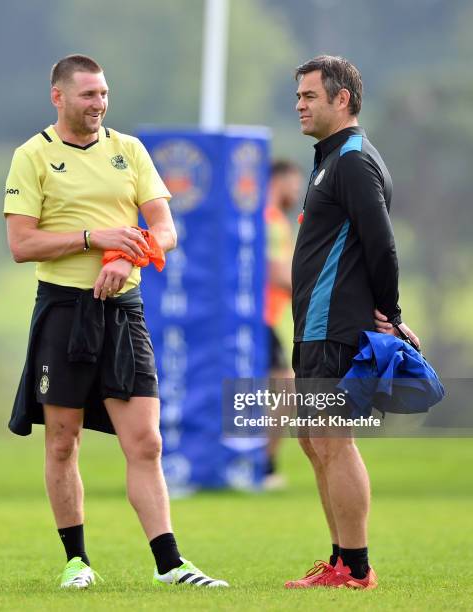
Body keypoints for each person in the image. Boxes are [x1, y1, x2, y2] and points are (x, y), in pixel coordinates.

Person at [3, 54, 228, 590]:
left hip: (124, 312)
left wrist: (130, 256)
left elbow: (166, 228)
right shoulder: (32, 155)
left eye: (103, 94)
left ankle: (170, 565)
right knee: (62, 439)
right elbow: (21, 244)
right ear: (58, 97)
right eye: (88, 95)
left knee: (146, 441)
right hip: (63, 310)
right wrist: (94, 238)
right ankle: (77, 562)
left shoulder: (129, 150)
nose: (99, 104)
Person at [283, 55, 420, 590]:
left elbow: (382, 244)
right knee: (313, 438)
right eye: (297, 96)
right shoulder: (328, 160)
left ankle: (357, 568)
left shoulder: (353, 161)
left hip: (335, 326)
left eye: (310, 96)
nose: (299, 104)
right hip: (314, 327)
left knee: (333, 439)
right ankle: (340, 561)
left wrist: (394, 315)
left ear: (342, 100)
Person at [263, 160, 302, 490]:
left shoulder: (272, 220)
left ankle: (259, 464)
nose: (297, 191)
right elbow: (277, 273)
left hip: (268, 318)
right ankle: (264, 466)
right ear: (278, 181)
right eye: (293, 183)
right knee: (286, 389)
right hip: (262, 318)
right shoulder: (270, 220)